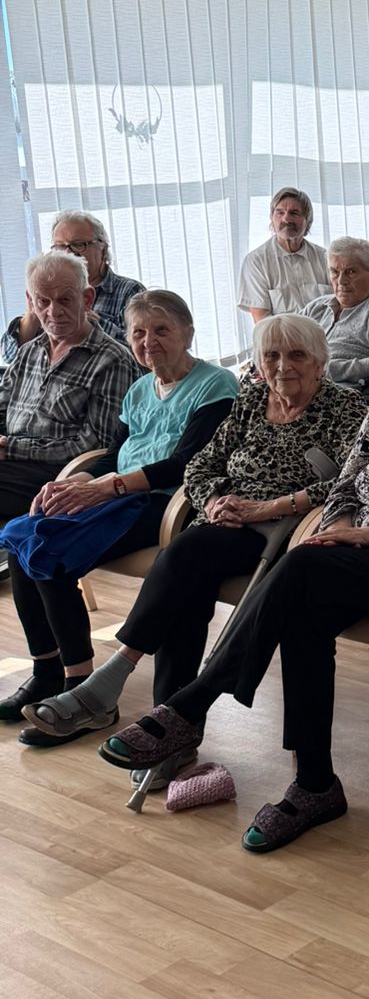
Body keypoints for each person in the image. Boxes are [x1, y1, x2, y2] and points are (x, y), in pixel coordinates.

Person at [104, 294, 369, 850]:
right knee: (302, 615)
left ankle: (193, 702)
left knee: (300, 569)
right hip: (352, 552)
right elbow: (348, 478)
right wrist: (340, 521)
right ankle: (314, 783)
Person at [42, 316, 367, 747]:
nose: (282, 365)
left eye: (297, 355)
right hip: (224, 522)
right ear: (259, 363)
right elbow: (200, 464)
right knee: (186, 591)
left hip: (284, 530)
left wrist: (269, 506)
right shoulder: (253, 399)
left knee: (183, 554)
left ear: (320, 362)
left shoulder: (345, 407)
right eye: (271, 355)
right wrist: (213, 499)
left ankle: (118, 676)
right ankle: (170, 733)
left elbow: (353, 480)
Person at [1, 292, 238, 740]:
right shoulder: (139, 389)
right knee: (21, 543)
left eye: (162, 330)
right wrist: (73, 482)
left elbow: (187, 464)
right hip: (117, 494)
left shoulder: (216, 385)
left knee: (48, 553)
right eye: (139, 333)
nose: (149, 341)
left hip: (165, 503)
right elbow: (114, 454)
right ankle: (47, 672)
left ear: (188, 333)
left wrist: (105, 487)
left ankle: (80, 691)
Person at [0, 252, 138, 541]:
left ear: (87, 299)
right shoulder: (28, 352)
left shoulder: (111, 359)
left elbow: (96, 445)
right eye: (43, 301)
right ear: (31, 302)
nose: (54, 311)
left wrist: (12, 449)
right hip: (11, 463)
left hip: (60, 473)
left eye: (64, 300)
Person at [2, 210, 144, 366]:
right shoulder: (49, 294)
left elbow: (143, 356)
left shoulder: (130, 291)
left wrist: (92, 324)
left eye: (78, 244)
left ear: (102, 249)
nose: (68, 253)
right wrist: (33, 313)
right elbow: (10, 357)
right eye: (60, 247)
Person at [302, 237, 369, 393]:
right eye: (335, 272)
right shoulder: (316, 307)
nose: (341, 281)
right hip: (298, 385)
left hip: (343, 393)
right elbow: (284, 342)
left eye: (351, 272)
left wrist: (329, 369)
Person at [238, 187, 329, 324]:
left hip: (327, 335)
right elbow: (263, 323)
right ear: (272, 219)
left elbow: (342, 307)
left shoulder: (326, 258)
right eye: (279, 212)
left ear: (308, 220)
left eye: (294, 213)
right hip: (282, 337)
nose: (286, 219)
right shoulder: (256, 261)